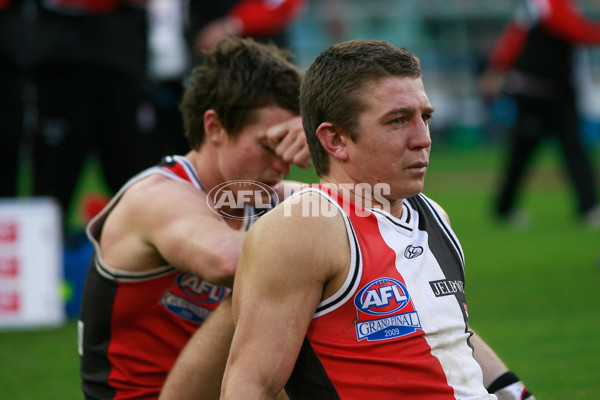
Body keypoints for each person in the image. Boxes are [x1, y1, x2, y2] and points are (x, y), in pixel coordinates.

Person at [220, 39, 535, 399]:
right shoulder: (305, 228)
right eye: (398, 120)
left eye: (426, 117)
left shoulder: (431, 213)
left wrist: (514, 391)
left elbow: (445, 337)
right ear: (336, 139)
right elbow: (249, 384)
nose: (423, 139)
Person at [78, 37, 309, 400]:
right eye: (270, 144)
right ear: (215, 127)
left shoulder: (263, 195)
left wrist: (329, 157)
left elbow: (369, 211)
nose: (284, 163)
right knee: (261, 287)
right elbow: (229, 260)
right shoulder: (157, 196)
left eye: (291, 144)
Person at [480, 0, 600, 228]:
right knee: (524, 152)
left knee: (573, 149)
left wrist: (497, 67)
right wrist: (497, 68)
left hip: (559, 92)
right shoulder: (546, 5)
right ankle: (505, 208)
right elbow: (572, 30)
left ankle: (589, 206)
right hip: (535, 92)